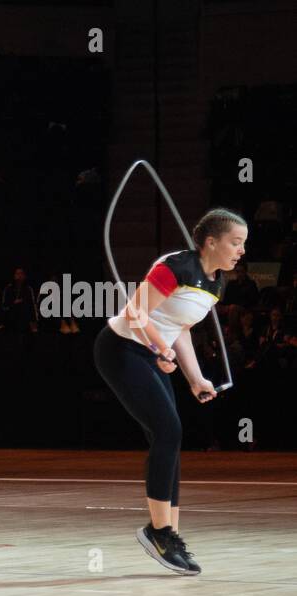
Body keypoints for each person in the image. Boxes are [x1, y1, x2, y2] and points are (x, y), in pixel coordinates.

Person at [93, 208, 247, 575]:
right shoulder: (176, 266)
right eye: (235, 242)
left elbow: (181, 327)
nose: (241, 250)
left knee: (169, 436)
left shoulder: (215, 283)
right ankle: (159, 532)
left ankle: (169, 537)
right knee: (168, 430)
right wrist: (158, 348)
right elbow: (135, 313)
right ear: (211, 242)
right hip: (121, 349)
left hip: (149, 351)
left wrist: (195, 378)